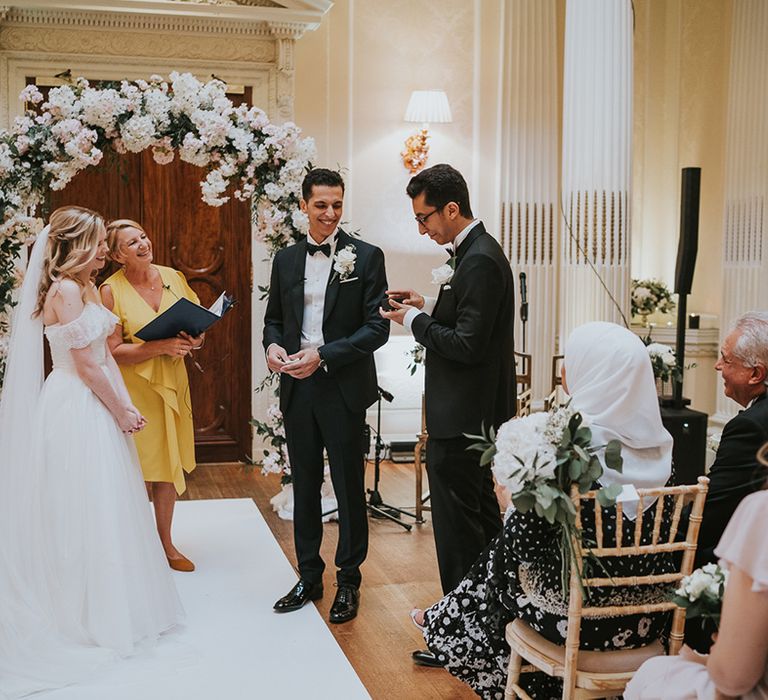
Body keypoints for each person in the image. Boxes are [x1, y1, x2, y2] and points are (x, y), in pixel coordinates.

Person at [408, 322, 676, 698]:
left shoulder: (565, 455)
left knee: (504, 564)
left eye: (570, 361)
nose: (564, 370)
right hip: (647, 623)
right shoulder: (662, 454)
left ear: (593, 375)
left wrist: (507, 506)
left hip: (576, 625)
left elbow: (525, 549)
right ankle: (445, 617)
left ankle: (449, 627)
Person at [0, 206, 182, 698]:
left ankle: (112, 599)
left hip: (95, 396)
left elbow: (103, 354)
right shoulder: (62, 289)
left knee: (105, 502)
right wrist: (120, 410)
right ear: (78, 244)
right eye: (100, 242)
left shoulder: (81, 286)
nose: (106, 250)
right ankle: (82, 611)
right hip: (76, 403)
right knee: (82, 501)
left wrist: (121, 404)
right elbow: (85, 364)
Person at [380, 163, 516, 666]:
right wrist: (430, 303)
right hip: (474, 418)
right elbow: (467, 321)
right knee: (481, 530)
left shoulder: (478, 259)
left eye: (425, 217)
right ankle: (490, 628)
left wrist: (414, 320)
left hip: (463, 422)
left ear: (452, 208)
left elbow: (466, 345)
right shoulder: (476, 255)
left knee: (461, 534)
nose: (423, 228)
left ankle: (463, 639)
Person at [263, 168, 389, 624]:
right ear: (303, 206)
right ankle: (309, 577)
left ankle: (349, 580)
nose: (331, 213)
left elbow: (376, 328)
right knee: (305, 485)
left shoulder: (367, 257)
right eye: (321, 205)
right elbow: (274, 319)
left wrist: (324, 355)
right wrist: (274, 347)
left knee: (350, 490)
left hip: (342, 386)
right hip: (298, 387)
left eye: (337, 204)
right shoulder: (286, 260)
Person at [625, 442, 768, 700]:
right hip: (653, 612)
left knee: (654, 673)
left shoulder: (762, 512)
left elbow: (733, 678)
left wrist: (710, 658)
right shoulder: (662, 450)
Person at [100, 219, 203, 572]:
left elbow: (196, 324)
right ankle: (131, 547)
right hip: (135, 390)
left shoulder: (174, 276)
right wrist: (158, 346)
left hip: (172, 382)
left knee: (166, 468)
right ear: (116, 255)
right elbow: (111, 351)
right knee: (137, 470)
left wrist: (195, 338)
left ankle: (166, 544)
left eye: (143, 236)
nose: (144, 244)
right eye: (132, 243)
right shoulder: (110, 291)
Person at [695, 311, 768, 567]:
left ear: (756, 374)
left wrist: (663, 538)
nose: (717, 365)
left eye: (726, 360)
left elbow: (712, 510)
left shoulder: (750, 426)